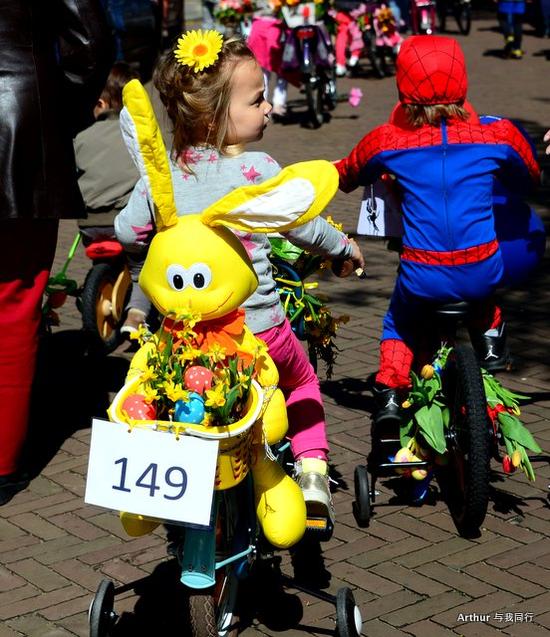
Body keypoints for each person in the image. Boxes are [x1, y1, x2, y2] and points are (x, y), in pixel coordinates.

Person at [115, 30, 365, 525]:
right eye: (256, 99)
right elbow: (304, 223)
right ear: (214, 115)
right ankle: (313, 472)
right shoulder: (259, 171)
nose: (269, 107)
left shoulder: (162, 178)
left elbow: (126, 230)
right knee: (301, 381)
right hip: (260, 332)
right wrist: (344, 246)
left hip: (186, 340)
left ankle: (161, 500)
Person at [334, 35, 539, 426]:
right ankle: (491, 339)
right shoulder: (498, 136)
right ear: (463, 81)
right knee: (482, 290)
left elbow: (349, 174)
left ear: (401, 87)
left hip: (422, 275)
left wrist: (338, 171)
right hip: (481, 269)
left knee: (401, 319)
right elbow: (529, 177)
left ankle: (391, 394)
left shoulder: (386, 141)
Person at [0, 0, 113, 506]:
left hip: (21, 124)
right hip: (20, 128)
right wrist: (53, 104)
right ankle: (2, 462)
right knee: (14, 300)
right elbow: (88, 45)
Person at [74, 61, 152, 335]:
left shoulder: (81, 137)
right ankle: (136, 313)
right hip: (126, 223)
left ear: (101, 102)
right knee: (145, 265)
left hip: (90, 224)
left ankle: (99, 285)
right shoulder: (140, 136)